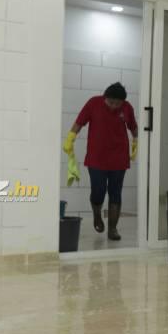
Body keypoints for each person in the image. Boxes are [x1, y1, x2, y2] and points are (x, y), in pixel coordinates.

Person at [64, 82, 138, 241]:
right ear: (105, 98)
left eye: (117, 103)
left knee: (115, 193)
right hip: (96, 157)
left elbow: (133, 126)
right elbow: (79, 122)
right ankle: (97, 215)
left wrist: (136, 141)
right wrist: (71, 137)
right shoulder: (93, 103)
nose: (113, 106)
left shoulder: (127, 108)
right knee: (98, 192)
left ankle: (112, 229)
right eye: (110, 102)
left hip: (119, 157)